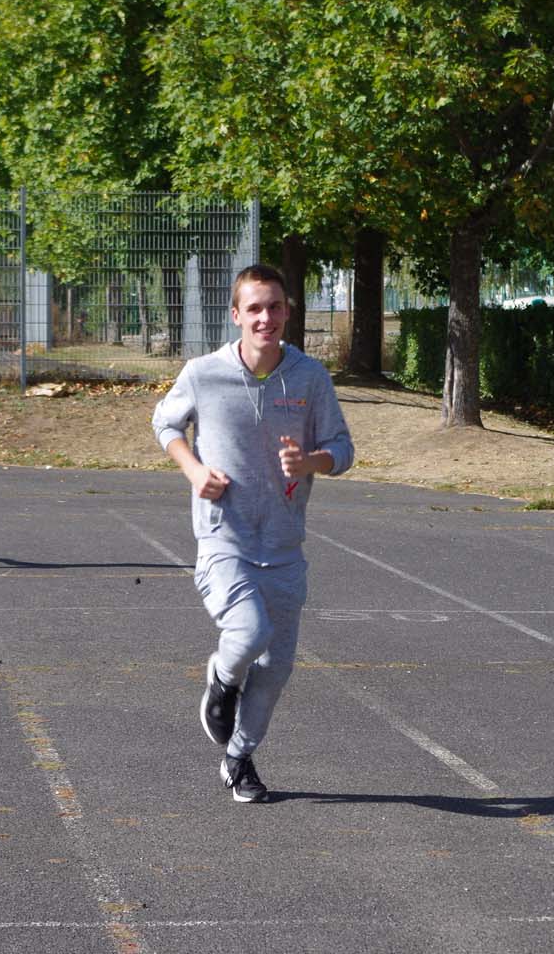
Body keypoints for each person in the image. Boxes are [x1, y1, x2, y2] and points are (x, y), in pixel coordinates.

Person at [152, 263, 354, 803]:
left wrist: (310, 461)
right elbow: (165, 423)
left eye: (276, 307)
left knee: (276, 669)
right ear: (237, 314)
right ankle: (220, 681)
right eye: (255, 308)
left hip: (285, 547)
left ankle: (239, 758)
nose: (266, 317)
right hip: (226, 539)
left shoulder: (310, 377)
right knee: (249, 632)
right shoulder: (203, 373)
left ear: (288, 312)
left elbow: (344, 449)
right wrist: (195, 471)